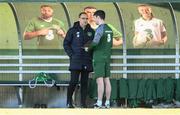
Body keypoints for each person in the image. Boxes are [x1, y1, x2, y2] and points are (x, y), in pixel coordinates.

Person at [63, 12, 95, 108]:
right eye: (83, 18)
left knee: (84, 83)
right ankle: (69, 101)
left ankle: (83, 103)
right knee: (73, 81)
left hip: (86, 60)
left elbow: (93, 45)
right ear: (79, 19)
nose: (85, 20)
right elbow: (66, 44)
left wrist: (90, 53)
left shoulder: (91, 31)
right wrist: (72, 55)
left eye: (86, 19)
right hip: (75, 60)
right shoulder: (72, 30)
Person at [86, 10, 113, 108]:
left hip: (99, 57)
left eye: (94, 17)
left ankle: (99, 102)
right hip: (107, 57)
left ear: (98, 17)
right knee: (107, 80)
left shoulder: (100, 29)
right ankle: (107, 102)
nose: (93, 19)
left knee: (99, 80)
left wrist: (87, 47)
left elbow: (95, 42)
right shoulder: (109, 29)